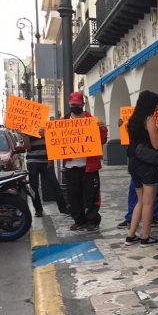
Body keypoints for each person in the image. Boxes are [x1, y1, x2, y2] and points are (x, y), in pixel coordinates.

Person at [124, 90, 158, 247]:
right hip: (147, 165)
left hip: (134, 163)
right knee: (149, 203)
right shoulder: (149, 120)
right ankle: (145, 237)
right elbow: (156, 145)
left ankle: (131, 235)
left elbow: (140, 139)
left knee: (140, 201)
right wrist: (157, 128)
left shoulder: (132, 120)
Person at [61, 92, 107, 231]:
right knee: (73, 194)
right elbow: (55, 141)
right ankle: (79, 220)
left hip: (89, 166)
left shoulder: (92, 120)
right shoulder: (63, 122)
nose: (75, 106)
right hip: (71, 165)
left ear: (83, 104)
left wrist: (103, 130)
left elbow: (102, 140)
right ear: (69, 104)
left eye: (78, 104)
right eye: (73, 104)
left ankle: (93, 220)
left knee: (92, 195)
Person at [117, 116, 158, 230]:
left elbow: (154, 141)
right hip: (143, 164)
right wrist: (123, 126)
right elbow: (155, 143)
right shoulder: (143, 123)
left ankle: (142, 225)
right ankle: (142, 232)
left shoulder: (146, 123)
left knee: (148, 196)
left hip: (143, 164)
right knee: (142, 197)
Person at [25, 119, 70, 217]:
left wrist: (51, 159)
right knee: (33, 187)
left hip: (46, 161)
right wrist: (25, 135)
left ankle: (63, 207)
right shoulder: (27, 127)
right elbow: (27, 148)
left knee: (55, 184)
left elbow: (53, 143)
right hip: (32, 162)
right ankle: (38, 210)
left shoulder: (48, 126)